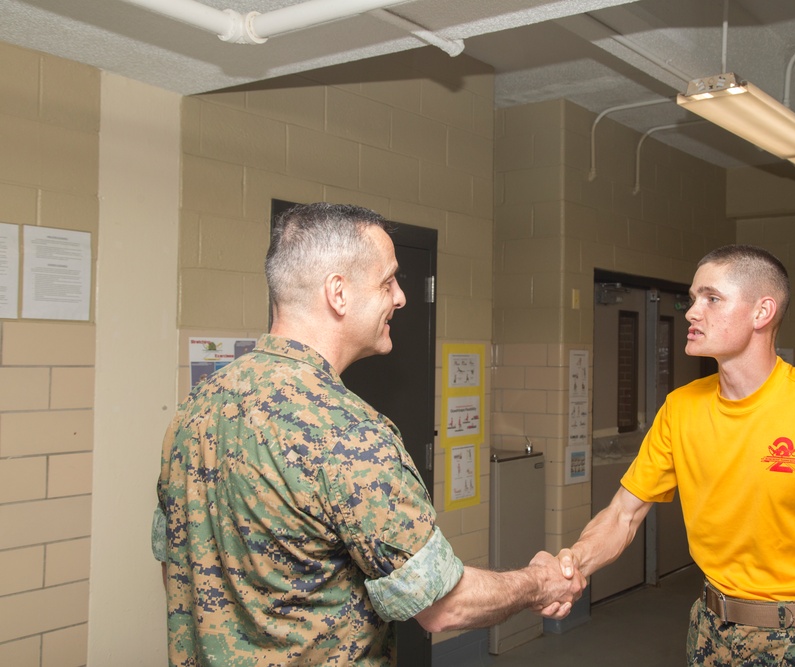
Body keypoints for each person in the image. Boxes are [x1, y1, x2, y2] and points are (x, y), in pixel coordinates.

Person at [153, 203, 584, 665]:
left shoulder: (197, 408)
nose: (400, 297)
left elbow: (175, 562)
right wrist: (542, 583)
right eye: (388, 281)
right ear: (338, 293)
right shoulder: (349, 435)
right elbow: (444, 605)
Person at [558, 245, 795, 665]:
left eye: (712, 298)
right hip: (709, 631)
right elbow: (622, 516)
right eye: (693, 298)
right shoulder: (680, 409)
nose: (691, 312)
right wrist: (574, 562)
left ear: (762, 313)